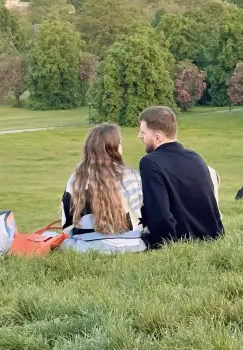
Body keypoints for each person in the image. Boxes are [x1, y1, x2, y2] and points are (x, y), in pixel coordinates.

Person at [138, 106, 224, 249]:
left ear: (157, 137)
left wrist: (162, 245)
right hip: (211, 237)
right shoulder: (195, 157)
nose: (140, 136)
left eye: (143, 132)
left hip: (178, 242)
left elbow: (160, 214)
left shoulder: (150, 163)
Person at [61, 123, 146, 253]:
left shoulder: (77, 177)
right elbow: (142, 213)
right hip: (133, 244)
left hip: (88, 247)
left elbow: (67, 224)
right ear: (114, 148)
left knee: (56, 240)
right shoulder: (133, 176)